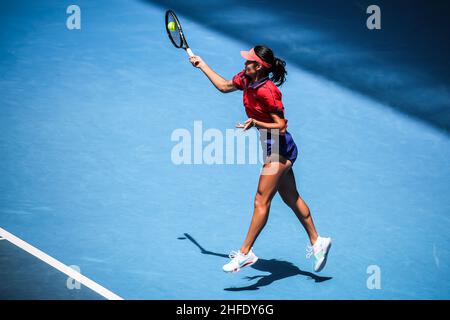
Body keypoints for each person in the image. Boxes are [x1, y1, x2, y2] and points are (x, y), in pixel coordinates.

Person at [189, 45, 331, 273]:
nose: (244, 64)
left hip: (279, 149)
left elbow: (282, 127)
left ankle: (245, 253)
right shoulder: (246, 79)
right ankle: (318, 241)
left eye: (249, 62)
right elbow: (225, 86)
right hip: (271, 147)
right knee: (291, 198)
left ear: (259, 67)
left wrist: (256, 122)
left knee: (260, 200)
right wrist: (202, 65)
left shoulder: (268, 91)